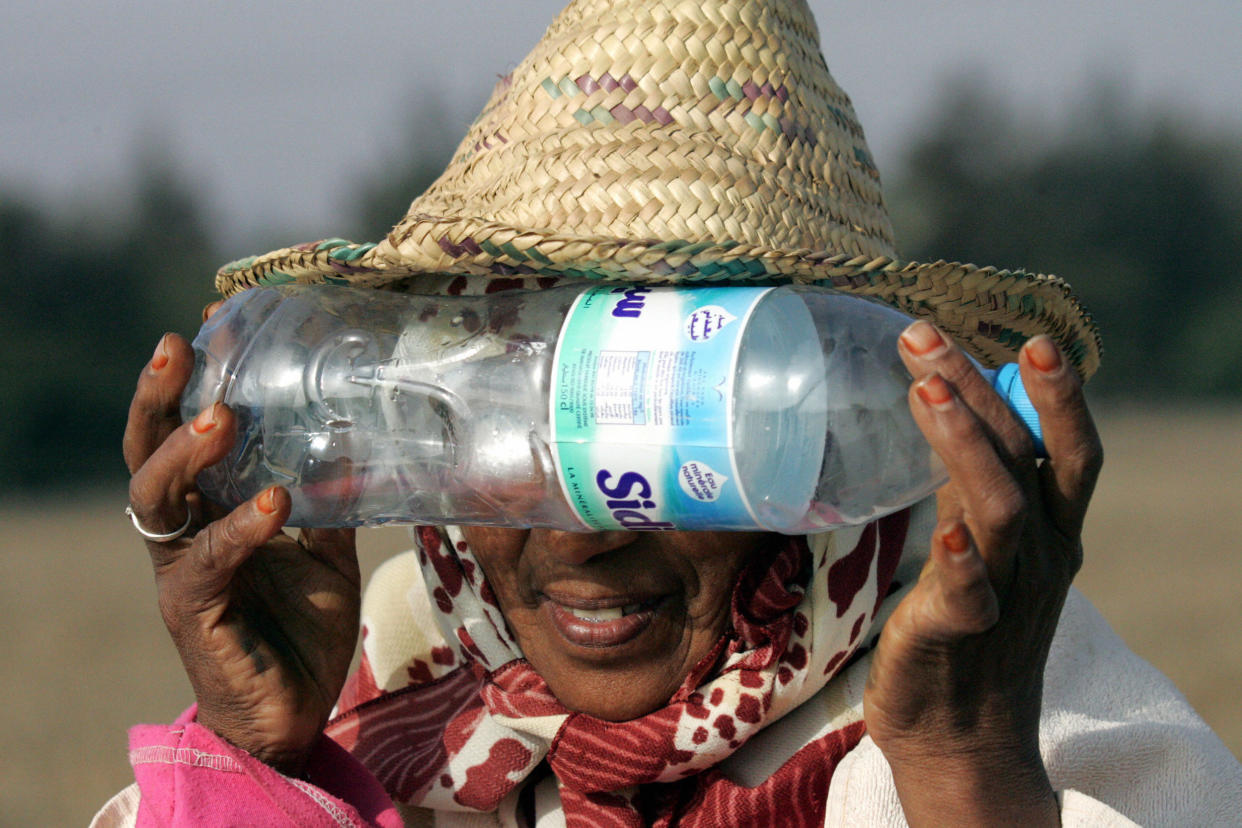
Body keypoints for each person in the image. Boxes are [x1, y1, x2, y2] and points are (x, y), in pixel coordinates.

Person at [99, 0, 1242, 825]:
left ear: (788, 434)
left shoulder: (1004, 692)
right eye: (518, 430)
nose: (584, 532)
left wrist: (966, 769)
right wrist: (264, 764)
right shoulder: (393, 672)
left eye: (657, 441)